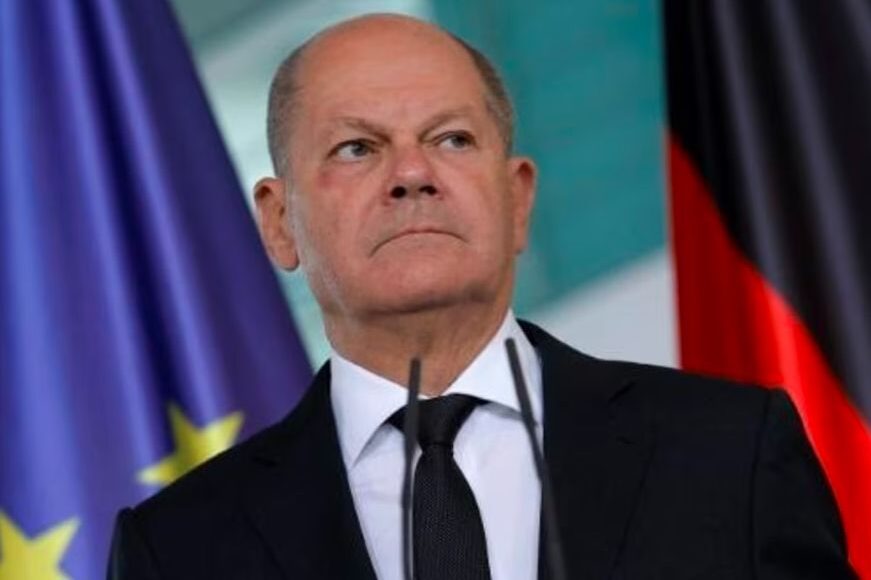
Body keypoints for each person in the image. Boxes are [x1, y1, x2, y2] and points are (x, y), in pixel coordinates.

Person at [107, 13, 856, 580]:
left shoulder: (728, 450)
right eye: (357, 148)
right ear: (279, 222)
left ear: (517, 197)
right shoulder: (177, 549)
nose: (412, 174)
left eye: (452, 139)